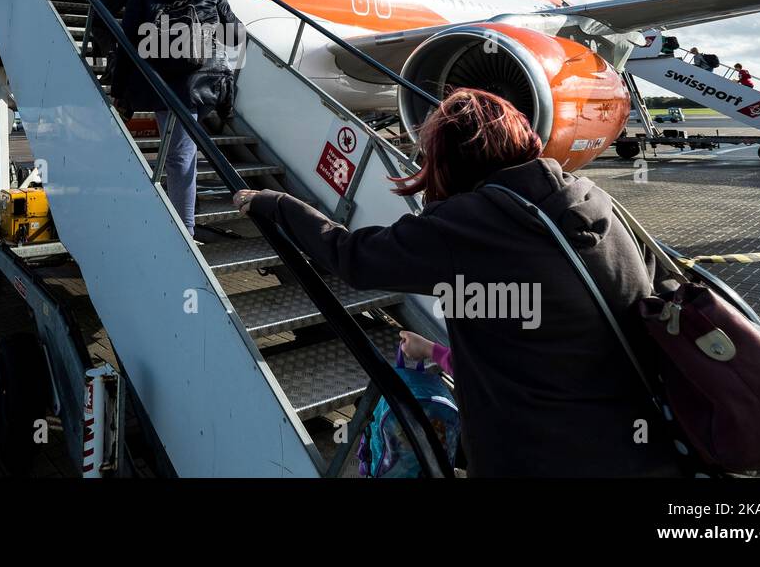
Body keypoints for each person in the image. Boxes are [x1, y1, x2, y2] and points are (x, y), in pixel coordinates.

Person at [232, 88, 680, 477]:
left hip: (545, 458)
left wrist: (277, 204)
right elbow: (551, 341)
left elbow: (351, 258)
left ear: (451, 160)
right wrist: (439, 354)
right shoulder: (591, 198)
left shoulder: (469, 224)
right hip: (652, 443)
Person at [112, 0, 243, 239]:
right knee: (183, 152)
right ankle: (185, 216)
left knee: (179, 156)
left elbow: (125, 47)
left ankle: (184, 232)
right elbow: (235, 37)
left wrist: (119, 91)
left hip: (163, 85)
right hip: (206, 85)